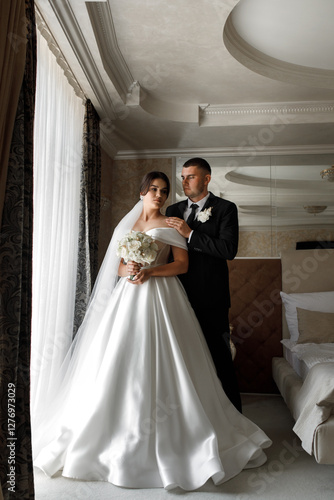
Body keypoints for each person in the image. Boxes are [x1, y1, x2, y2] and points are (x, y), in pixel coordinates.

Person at [33, 171, 271, 491]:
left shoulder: (171, 223)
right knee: (117, 359)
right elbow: (118, 266)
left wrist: (150, 272)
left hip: (163, 296)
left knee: (169, 359)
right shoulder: (127, 226)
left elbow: (182, 264)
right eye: (153, 190)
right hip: (127, 298)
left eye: (164, 191)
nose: (159, 196)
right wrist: (130, 269)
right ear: (142, 192)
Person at [166, 158, 242, 412]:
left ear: (207, 178)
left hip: (212, 299)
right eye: (183, 177)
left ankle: (234, 419)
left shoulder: (225, 208)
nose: (185, 182)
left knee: (220, 359)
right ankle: (191, 418)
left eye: (191, 177)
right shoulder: (172, 211)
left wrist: (191, 235)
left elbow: (228, 249)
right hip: (177, 296)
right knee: (182, 359)